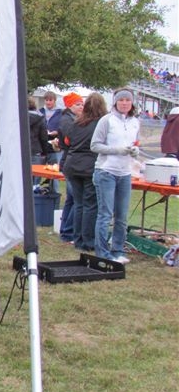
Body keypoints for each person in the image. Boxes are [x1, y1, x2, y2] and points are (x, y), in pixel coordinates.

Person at [90, 88, 140, 264]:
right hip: (106, 171)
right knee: (105, 214)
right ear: (116, 102)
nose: (124, 103)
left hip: (125, 172)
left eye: (127, 100)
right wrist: (117, 150)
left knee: (122, 215)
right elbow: (95, 145)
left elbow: (135, 142)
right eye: (121, 100)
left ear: (132, 103)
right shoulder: (107, 121)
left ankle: (118, 249)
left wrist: (135, 151)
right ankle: (102, 252)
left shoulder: (135, 122)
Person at [60, 92, 106, 251]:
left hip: (72, 165)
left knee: (79, 204)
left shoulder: (76, 122)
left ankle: (78, 238)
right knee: (90, 204)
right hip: (89, 166)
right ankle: (88, 241)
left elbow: (67, 141)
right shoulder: (101, 123)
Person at [57, 92, 84, 243]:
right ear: (69, 105)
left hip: (69, 160)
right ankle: (68, 230)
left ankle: (65, 231)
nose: (80, 107)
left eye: (81, 104)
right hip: (70, 160)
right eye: (77, 104)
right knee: (76, 198)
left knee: (71, 198)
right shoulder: (67, 120)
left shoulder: (72, 119)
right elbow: (70, 139)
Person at [39, 90, 63, 192]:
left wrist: (56, 132)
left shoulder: (60, 113)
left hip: (55, 146)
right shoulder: (40, 111)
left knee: (55, 172)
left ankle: (55, 193)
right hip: (42, 146)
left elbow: (63, 127)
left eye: (50, 100)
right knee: (38, 170)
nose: (48, 102)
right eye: (46, 100)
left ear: (54, 101)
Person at [28, 97, 50, 185]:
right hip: (36, 150)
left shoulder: (17, 117)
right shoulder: (40, 118)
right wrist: (45, 152)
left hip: (20, 151)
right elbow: (44, 137)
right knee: (35, 181)